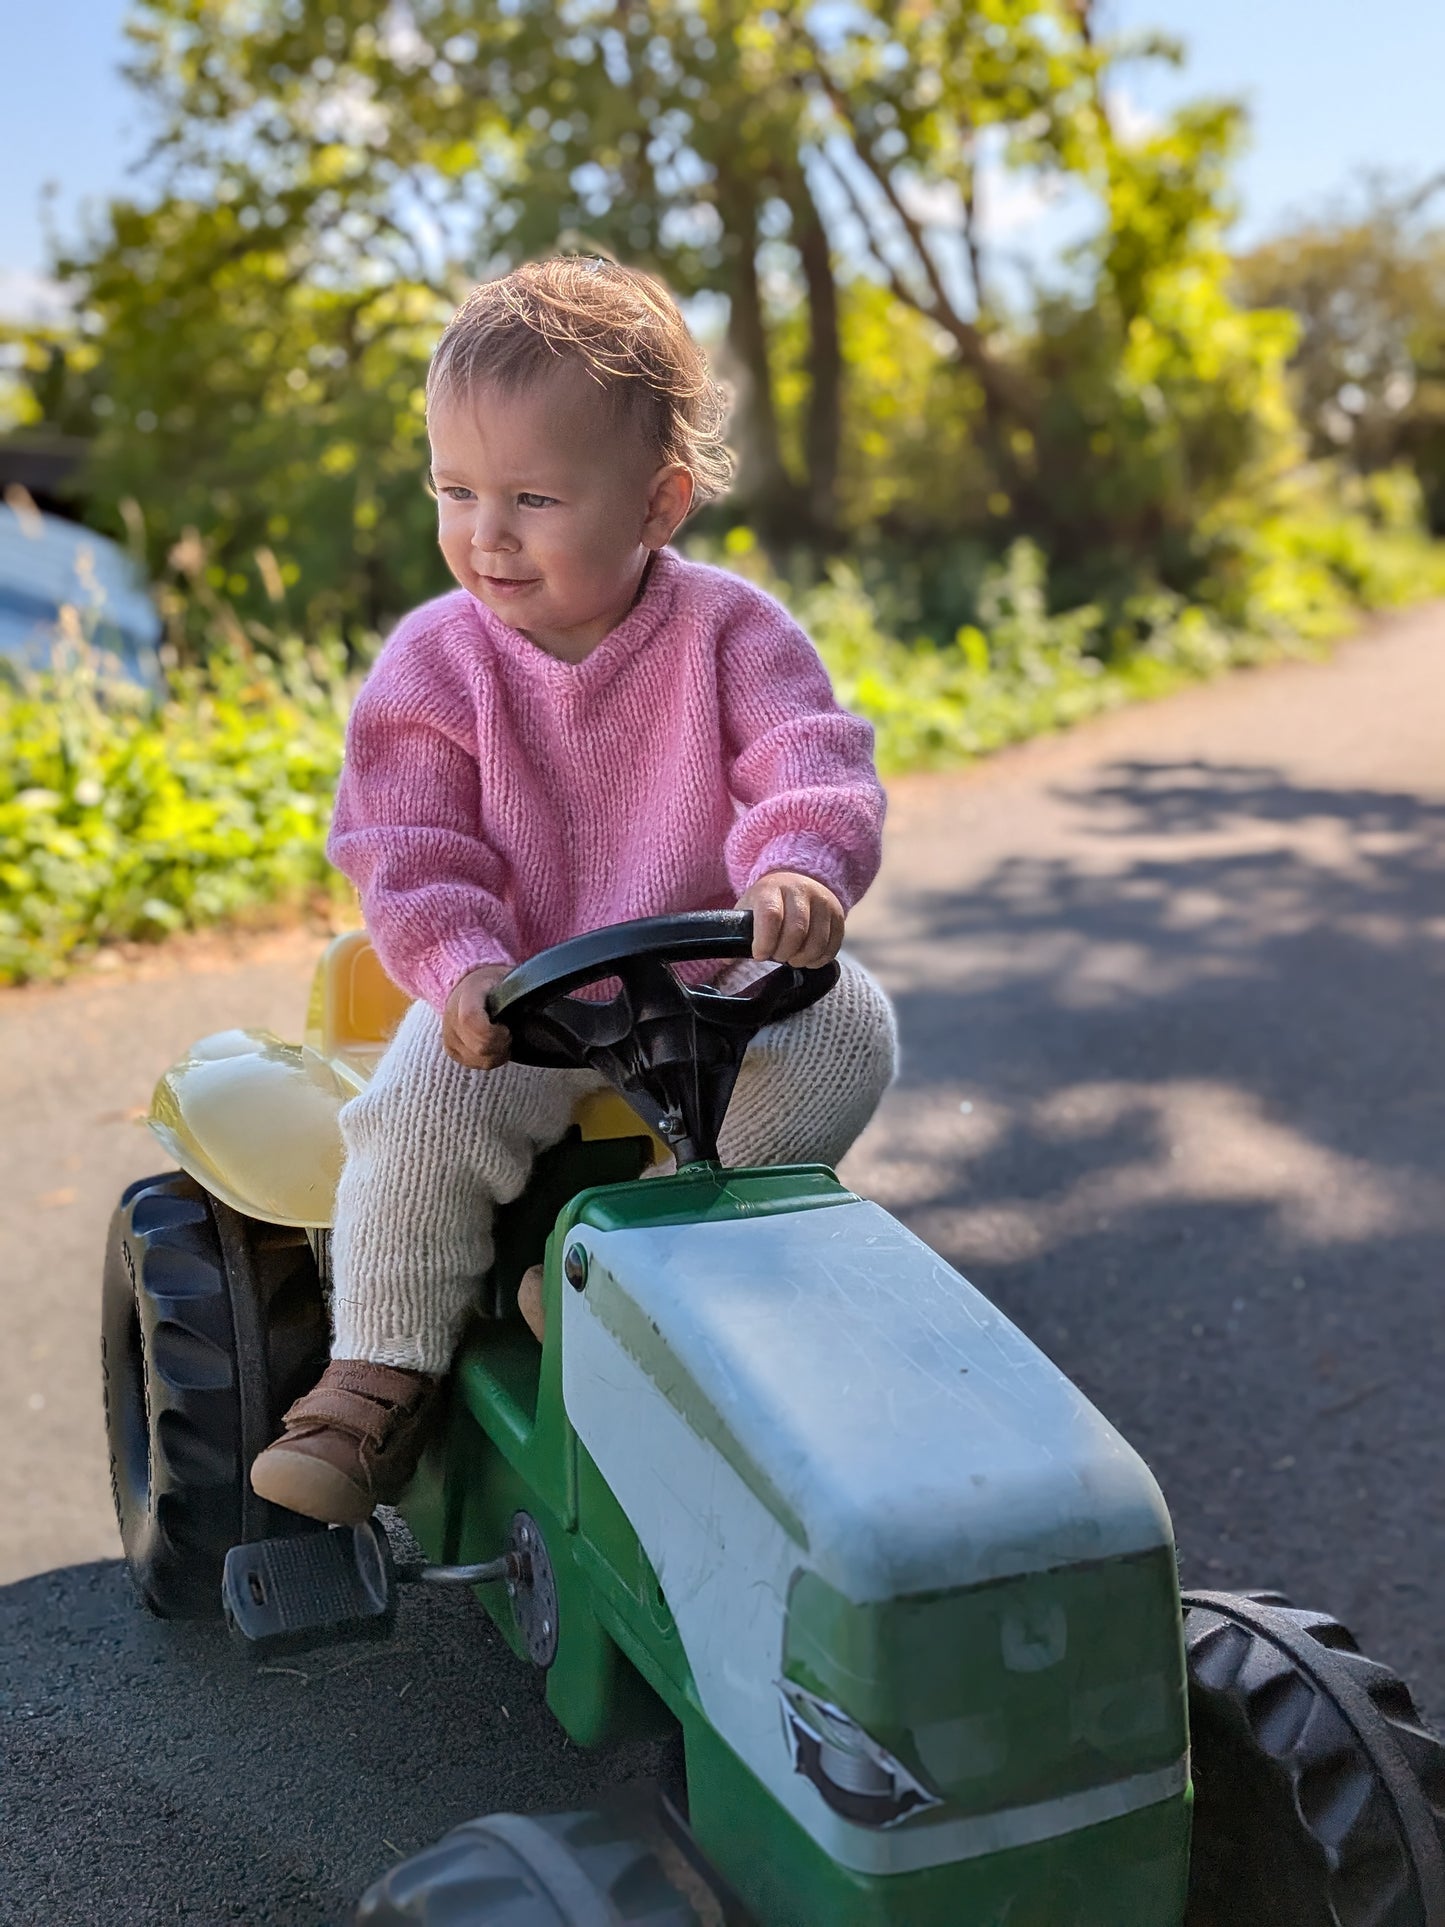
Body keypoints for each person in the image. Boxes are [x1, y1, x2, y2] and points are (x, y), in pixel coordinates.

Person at [249, 256, 898, 1527]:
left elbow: (808, 759)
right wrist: (460, 968)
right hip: (524, 1002)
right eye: (455, 490)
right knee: (417, 1112)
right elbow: (409, 840)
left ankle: (632, 1260)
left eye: (533, 497)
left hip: (709, 990)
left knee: (850, 1030)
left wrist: (797, 867)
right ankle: (380, 1369)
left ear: (657, 502)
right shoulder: (435, 660)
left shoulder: (730, 630)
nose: (485, 533)